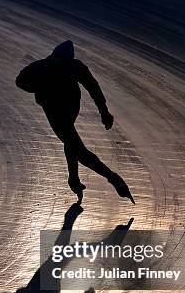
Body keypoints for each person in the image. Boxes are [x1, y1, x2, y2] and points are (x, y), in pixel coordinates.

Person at [16, 40, 135, 204]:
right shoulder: (74, 66)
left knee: (72, 143)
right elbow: (93, 88)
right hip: (69, 109)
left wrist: (40, 88)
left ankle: (83, 178)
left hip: (55, 112)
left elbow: (20, 81)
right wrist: (104, 111)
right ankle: (109, 178)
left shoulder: (42, 65)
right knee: (74, 146)